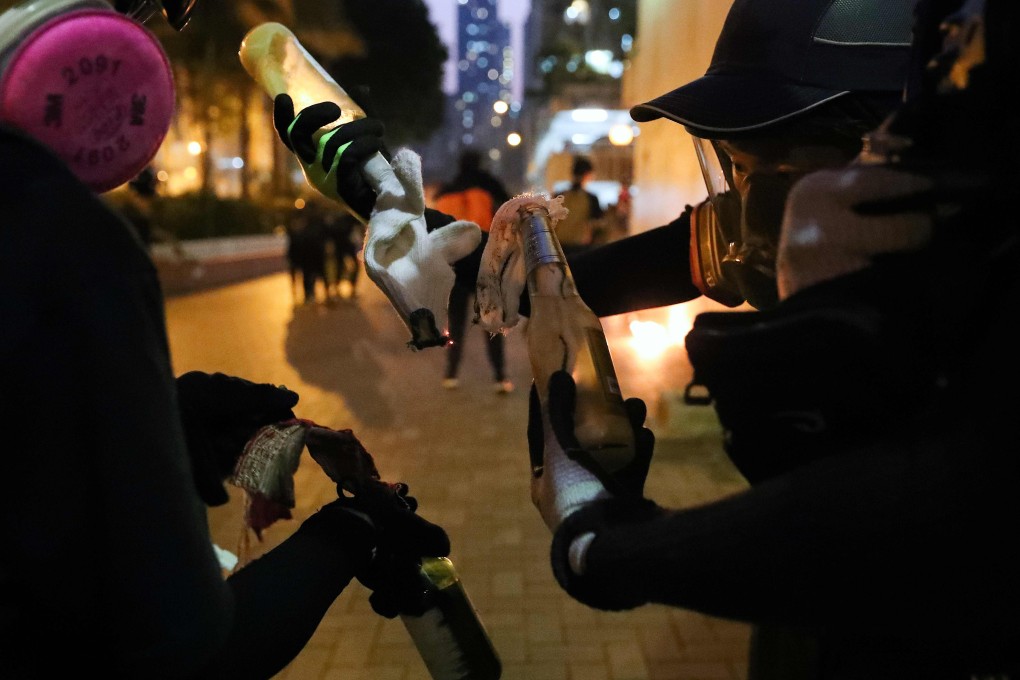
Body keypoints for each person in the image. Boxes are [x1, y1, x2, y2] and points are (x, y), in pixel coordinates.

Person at [527, 0, 1020, 678]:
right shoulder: (874, 225)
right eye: (737, 164)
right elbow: (704, 246)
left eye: (785, 166)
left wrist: (596, 542)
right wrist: (499, 269)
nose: (754, 207)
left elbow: (907, 522)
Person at [0, 1, 450, 676]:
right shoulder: (54, 234)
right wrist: (350, 535)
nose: (153, 25)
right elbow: (177, 639)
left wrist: (170, 424)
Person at [431, 148, 514, 393]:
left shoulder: (446, 191)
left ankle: (451, 374)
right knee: (491, 322)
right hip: (483, 263)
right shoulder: (488, 184)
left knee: (456, 322)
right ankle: (500, 377)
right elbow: (510, 208)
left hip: (455, 264)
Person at [554, 154, 605, 254]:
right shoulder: (591, 198)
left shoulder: (560, 196)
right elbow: (597, 225)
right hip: (580, 247)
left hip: (558, 246)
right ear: (588, 174)